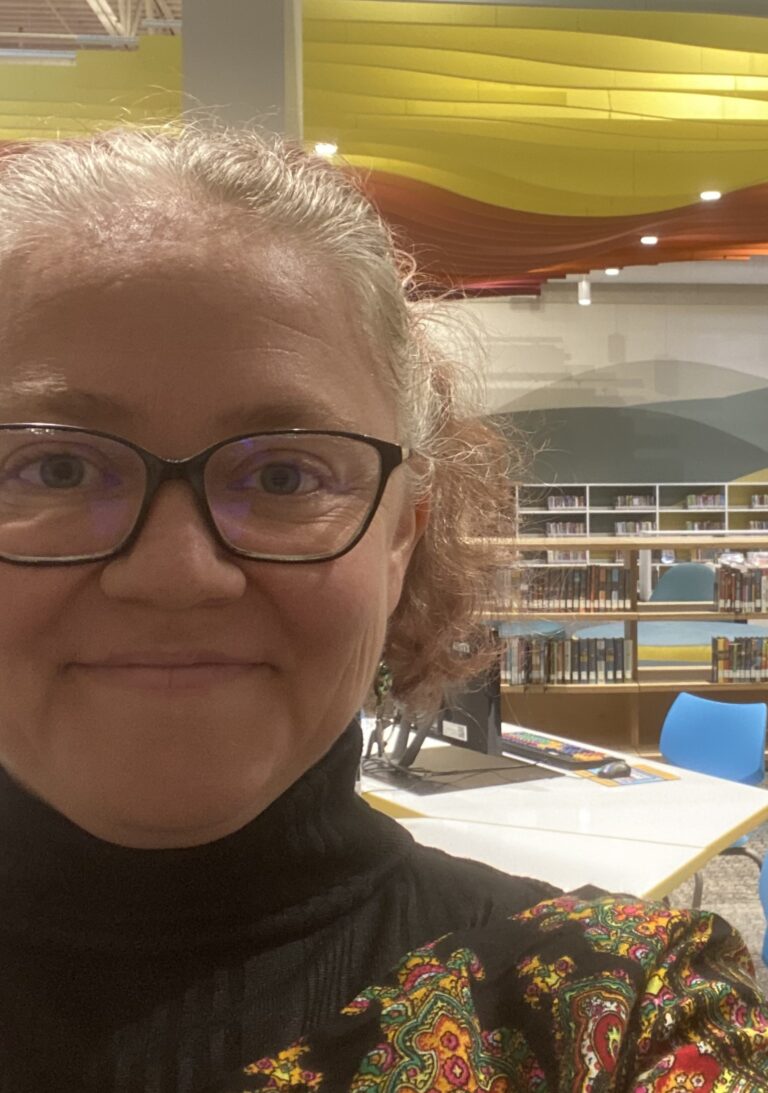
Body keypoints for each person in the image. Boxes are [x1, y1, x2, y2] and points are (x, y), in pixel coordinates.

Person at [0, 125, 764, 1093]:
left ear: (402, 537)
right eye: (56, 468)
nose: (176, 573)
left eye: (284, 475)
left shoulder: (611, 1017)